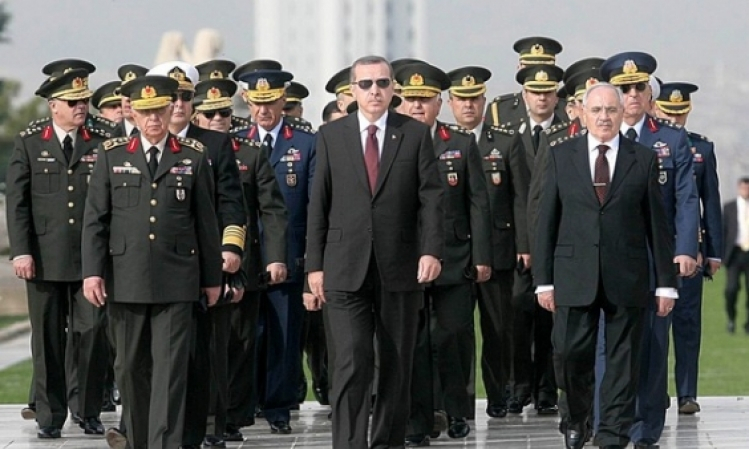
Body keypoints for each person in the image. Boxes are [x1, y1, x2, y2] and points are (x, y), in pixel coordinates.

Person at [305, 54, 443, 449]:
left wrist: (431, 251)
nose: (374, 91)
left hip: (399, 266)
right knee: (351, 361)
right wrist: (314, 266)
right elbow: (319, 203)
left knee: (396, 364)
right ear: (352, 90)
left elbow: (431, 199)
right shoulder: (331, 136)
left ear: (393, 88)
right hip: (343, 266)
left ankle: (387, 442)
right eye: (365, 84)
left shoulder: (414, 134)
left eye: (382, 83)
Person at [534, 82, 677, 449]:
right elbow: (545, 220)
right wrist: (543, 280)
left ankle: (613, 433)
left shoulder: (642, 158)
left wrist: (666, 283)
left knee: (622, 362)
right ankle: (577, 416)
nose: (604, 117)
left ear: (622, 113)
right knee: (569, 354)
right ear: (583, 113)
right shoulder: (560, 155)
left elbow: (657, 226)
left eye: (611, 110)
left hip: (626, 274)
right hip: (573, 274)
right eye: (596, 110)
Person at [599, 51, 699, 449]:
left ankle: (645, 429)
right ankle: (608, 424)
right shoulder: (600, 138)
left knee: (654, 346)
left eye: (639, 86)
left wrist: (686, 249)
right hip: (609, 258)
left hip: (656, 259)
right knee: (607, 347)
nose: (632, 95)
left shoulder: (671, 139)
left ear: (649, 92)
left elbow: (686, 199)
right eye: (624, 88)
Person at [6, 64, 111, 439]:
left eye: (84, 100)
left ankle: (88, 409)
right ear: (53, 105)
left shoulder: (102, 142)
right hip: (44, 259)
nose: (81, 107)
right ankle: (49, 415)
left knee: (92, 334)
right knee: (48, 339)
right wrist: (21, 251)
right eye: (72, 102)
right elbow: (17, 202)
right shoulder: (30, 142)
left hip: (89, 261)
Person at [146, 60, 246, 449]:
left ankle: (200, 429)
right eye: (172, 97)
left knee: (200, 351)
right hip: (153, 265)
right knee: (145, 355)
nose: (178, 105)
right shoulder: (135, 145)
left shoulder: (214, 144)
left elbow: (231, 202)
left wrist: (230, 248)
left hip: (201, 262)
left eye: (186, 97)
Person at [191, 76, 289, 443]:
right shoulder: (185, 152)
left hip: (240, 264)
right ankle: (202, 415)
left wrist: (275, 257)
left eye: (224, 113)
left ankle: (231, 417)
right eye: (210, 113)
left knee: (238, 344)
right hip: (193, 265)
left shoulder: (249, 153)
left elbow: (271, 209)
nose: (218, 119)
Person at [235, 67, 317, 434]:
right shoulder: (236, 142)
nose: (263, 110)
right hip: (246, 256)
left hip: (290, 254)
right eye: (257, 103)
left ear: (283, 100)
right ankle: (246, 402)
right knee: (249, 334)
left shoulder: (306, 143)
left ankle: (279, 407)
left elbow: (314, 206)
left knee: (284, 336)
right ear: (247, 101)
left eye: (270, 102)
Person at [447, 65, 529, 420]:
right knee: (458, 331)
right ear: (450, 103)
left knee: (499, 329)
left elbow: (520, 197)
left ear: (484, 102)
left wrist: (524, 245)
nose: (468, 106)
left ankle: (500, 394)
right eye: (461, 99)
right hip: (456, 252)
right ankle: (461, 401)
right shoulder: (443, 142)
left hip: (498, 250)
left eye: (474, 99)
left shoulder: (505, 142)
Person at [654, 81, 722, 414]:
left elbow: (710, 202)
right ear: (657, 109)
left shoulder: (701, 149)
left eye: (680, 114)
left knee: (688, 323)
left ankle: (687, 393)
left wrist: (713, 250)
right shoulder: (645, 145)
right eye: (669, 113)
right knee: (655, 325)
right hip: (655, 248)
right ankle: (656, 392)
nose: (675, 120)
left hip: (691, 251)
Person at [483, 36, 567, 128]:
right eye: (530, 68)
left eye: (544, 68)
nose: (537, 73)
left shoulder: (568, 110)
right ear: (519, 69)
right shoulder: (499, 110)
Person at [723, 178, 749, 334]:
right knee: (731, 289)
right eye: (743, 187)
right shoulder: (729, 207)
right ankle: (731, 318)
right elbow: (724, 230)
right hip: (735, 254)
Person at [113, 64, 149, 137]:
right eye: (124, 93)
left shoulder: (158, 133)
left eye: (133, 94)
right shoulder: (110, 134)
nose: (127, 99)